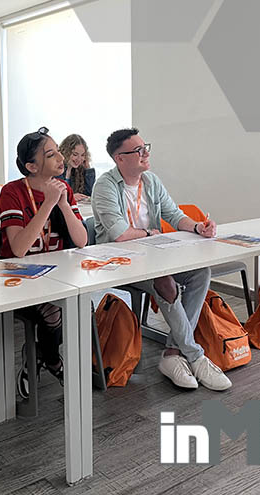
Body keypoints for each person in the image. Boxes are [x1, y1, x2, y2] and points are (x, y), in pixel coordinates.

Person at [91, 128, 231, 391]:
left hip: (152, 257)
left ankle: (172, 353)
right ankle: (195, 356)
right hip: (120, 262)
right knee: (164, 280)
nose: (146, 154)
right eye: (138, 150)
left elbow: (174, 215)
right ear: (120, 158)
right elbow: (119, 234)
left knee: (200, 273)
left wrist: (197, 227)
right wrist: (149, 233)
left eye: (146, 147)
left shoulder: (151, 181)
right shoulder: (105, 186)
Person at [0, 127, 87, 399]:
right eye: (51, 155)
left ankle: (38, 353)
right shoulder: (12, 192)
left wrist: (62, 203)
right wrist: (48, 204)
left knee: (81, 305)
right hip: (18, 277)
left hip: (55, 274)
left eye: (58, 152)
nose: (60, 158)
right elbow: (19, 249)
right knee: (53, 310)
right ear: (31, 166)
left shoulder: (64, 189)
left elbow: (82, 240)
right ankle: (53, 361)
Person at [56, 134, 95, 202]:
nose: (79, 159)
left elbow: (89, 194)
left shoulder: (78, 170)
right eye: (75, 154)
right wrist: (71, 197)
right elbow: (54, 196)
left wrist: (88, 170)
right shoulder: (56, 168)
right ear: (65, 152)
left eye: (82, 155)